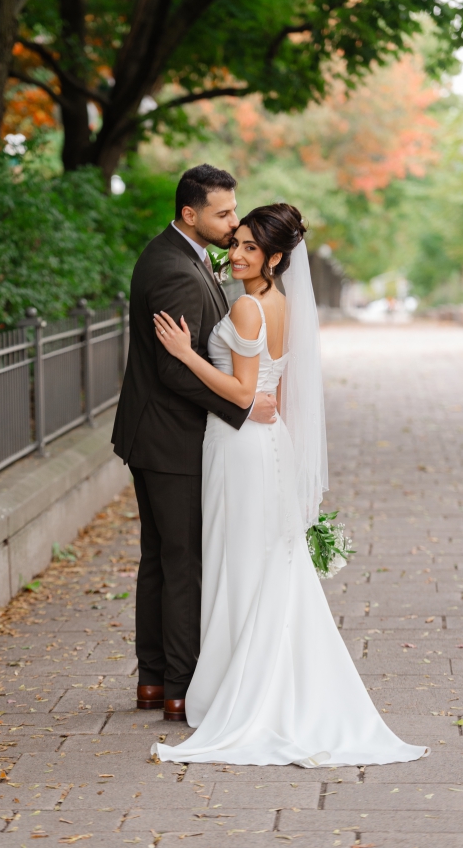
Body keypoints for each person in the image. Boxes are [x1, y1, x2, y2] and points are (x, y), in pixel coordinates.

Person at [146, 203, 427, 766]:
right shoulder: (278, 303)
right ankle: (243, 677)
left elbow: (245, 392)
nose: (238, 253)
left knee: (239, 561)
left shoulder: (250, 307)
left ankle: (240, 689)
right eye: (238, 243)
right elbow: (270, 388)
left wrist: (184, 354)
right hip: (260, 446)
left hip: (242, 446)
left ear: (275, 258)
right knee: (254, 559)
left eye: (251, 247)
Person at [111, 165, 279, 722]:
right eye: (223, 213)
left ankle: (155, 681)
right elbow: (177, 371)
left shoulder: (180, 255)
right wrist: (243, 405)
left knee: (162, 559)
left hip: (158, 435)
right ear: (190, 214)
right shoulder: (176, 269)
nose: (233, 223)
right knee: (183, 562)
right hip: (171, 439)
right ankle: (180, 688)